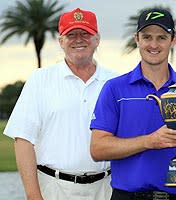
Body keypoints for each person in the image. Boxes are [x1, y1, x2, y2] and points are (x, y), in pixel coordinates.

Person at [90, 8, 176, 200]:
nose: (154, 44)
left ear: (173, 40)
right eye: (147, 37)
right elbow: (98, 149)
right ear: (136, 38)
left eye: (162, 37)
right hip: (127, 196)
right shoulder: (115, 88)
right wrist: (149, 141)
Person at [3, 8, 118, 200]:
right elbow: (23, 140)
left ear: (97, 39)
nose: (78, 39)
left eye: (85, 34)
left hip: (107, 189)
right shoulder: (40, 79)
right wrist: (33, 196)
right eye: (71, 34)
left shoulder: (115, 81)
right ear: (61, 41)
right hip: (54, 188)